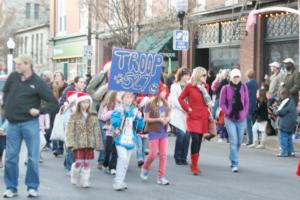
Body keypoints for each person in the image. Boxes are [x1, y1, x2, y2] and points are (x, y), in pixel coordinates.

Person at [2, 55, 58, 198]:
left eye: (19, 64)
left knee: (33, 157)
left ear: (28, 65)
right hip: (13, 123)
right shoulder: (13, 77)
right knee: (10, 158)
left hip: (30, 123)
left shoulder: (38, 82)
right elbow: (6, 93)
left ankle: (32, 187)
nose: (17, 67)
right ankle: (11, 188)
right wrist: (6, 109)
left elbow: (53, 103)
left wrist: (40, 111)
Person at [178, 67, 212, 175]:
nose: (205, 77)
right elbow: (180, 98)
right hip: (193, 117)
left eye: (205, 75)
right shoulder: (189, 86)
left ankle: (195, 164)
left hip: (203, 117)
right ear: (198, 75)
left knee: (199, 140)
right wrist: (188, 108)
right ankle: (194, 165)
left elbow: (207, 101)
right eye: (203, 75)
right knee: (195, 139)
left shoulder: (206, 86)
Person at [65, 92, 103, 187]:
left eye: (87, 102)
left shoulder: (93, 115)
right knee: (79, 162)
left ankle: (85, 181)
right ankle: (74, 175)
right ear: (79, 103)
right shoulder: (74, 116)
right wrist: (70, 143)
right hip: (78, 143)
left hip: (89, 143)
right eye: (83, 102)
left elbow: (97, 131)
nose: (86, 104)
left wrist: (98, 144)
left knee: (86, 162)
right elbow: (69, 131)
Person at [110, 92, 144, 191]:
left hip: (130, 139)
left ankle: (121, 181)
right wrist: (120, 114)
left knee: (126, 162)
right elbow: (115, 122)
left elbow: (139, 127)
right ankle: (118, 182)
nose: (128, 99)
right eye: (127, 97)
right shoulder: (118, 109)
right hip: (120, 138)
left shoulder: (135, 110)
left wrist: (139, 117)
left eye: (130, 97)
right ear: (122, 98)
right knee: (123, 158)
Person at [219, 68, 249, 173]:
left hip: (241, 118)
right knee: (233, 141)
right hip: (230, 118)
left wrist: (244, 113)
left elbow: (246, 102)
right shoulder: (225, 88)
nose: (236, 79)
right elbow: (222, 103)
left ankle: (232, 156)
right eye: (234, 77)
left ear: (240, 77)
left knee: (239, 141)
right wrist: (227, 112)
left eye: (238, 77)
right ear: (231, 77)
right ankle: (234, 164)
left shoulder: (244, 87)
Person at [140, 83, 170, 185]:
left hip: (163, 131)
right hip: (153, 131)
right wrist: (158, 119)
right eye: (163, 91)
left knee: (163, 155)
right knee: (153, 154)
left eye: (166, 91)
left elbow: (169, 115)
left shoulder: (166, 103)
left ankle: (161, 176)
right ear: (158, 92)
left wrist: (167, 119)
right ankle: (145, 167)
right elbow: (146, 119)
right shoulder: (150, 104)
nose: (165, 93)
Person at [53, 76, 86, 157]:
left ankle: (71, 157)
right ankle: (69, 159)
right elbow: (62, 103)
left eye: (83, 82)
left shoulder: (85, 91)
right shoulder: (69, 90)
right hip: (69, 116)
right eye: (81, 82)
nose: (82, 84)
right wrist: (70, 104)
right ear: (75, 83)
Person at [168, 67, 190, 165]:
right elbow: (175, 100)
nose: (187, 77)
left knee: (187, 136)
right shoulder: (174, 86)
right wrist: (185, 108)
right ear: (180, 75)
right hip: (178, 113)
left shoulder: (190, 86)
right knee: (181, 134)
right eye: (185, 75)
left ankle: (184, 157)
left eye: (188, 75)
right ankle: (177, 156)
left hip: (189, 114)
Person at [274, 89, 297, 157]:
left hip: (285, 124)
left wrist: (276, 111)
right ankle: (290, 151)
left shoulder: (286, 101)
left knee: (283, 138)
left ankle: (284, 152)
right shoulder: (292, 102)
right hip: (291, 124)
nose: (281, 97)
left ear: (285, 95)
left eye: (282, 95)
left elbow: (281, 112)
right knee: (289, 138)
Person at [100, 91, 118, 175]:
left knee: (115, 150)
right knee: (108, 149)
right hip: (109, 131)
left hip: (118, 131)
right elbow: (103, 117)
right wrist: (111, 113)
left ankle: (113, 167)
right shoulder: (107, 106)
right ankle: (105, 162)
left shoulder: (122, 107)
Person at [245, 69, 259, 146]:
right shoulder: (256, 84)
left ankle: (250, 140)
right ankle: (256, 140)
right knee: (255, 124)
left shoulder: (247, 84)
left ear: (247, 76)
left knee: (248, 124)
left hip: (248, 106)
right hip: (255, 105)